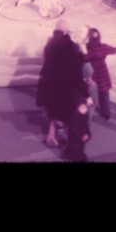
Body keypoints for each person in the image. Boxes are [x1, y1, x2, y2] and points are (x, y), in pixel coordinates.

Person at [36, 19, 87, 148]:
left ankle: (52, 136)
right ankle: (69, 142)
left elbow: (44, 61)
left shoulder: (50, 42)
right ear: (66, 31)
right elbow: (74, 66)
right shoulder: (68, 45)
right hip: (64, 84)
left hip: (49, 82)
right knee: (67, 111)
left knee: (55, 111)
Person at [82, 27, 116, 121]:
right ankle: (106, 113)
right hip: (102, 74)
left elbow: (81, 58)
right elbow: (114, 50)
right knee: (104, 95)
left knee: (92, 94)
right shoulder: (103, 48)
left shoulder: (87, 50)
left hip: (93, 74)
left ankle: (91, 113)